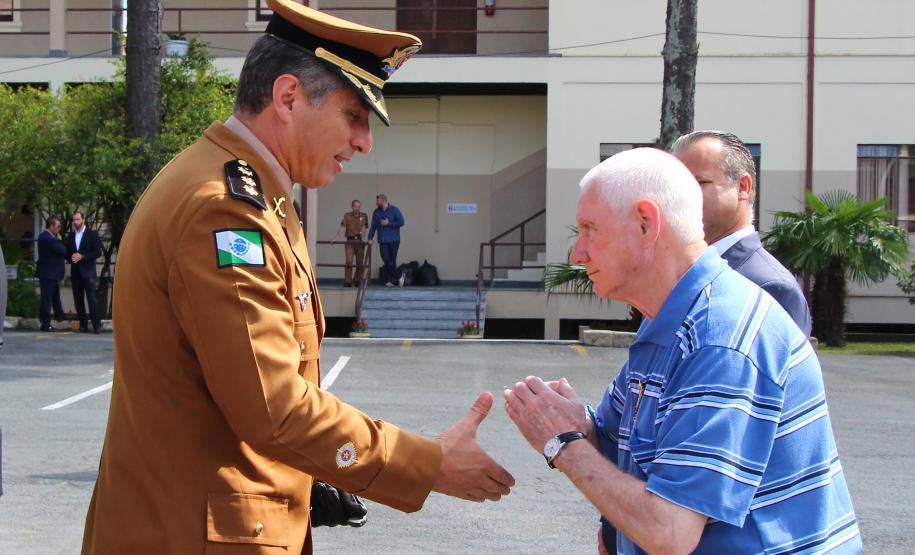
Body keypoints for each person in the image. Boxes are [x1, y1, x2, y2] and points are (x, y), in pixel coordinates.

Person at [81, 2, 514, 553]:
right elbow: (275, 407)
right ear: (287, 98)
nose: (365, 141)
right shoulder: (225, 209)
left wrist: (306, 478)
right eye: (354, 115)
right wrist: (426, 463)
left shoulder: (252, 194)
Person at [503, 148, 860, 555]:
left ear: (645, 223)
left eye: (590, 229)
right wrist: (578, 426)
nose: (577, 254)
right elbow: (616, 441)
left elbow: (670, 531)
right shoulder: (672, 320)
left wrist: (564, 444)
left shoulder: (718, 337)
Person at [672, 130, 812, 336]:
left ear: (743, 187)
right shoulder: (678, 273)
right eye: (675, 185)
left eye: (699, 182)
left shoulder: (770, 287)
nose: (681, 194)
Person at [66, 211, 102, 334]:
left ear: (83, 220)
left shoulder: (92, 234)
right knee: (78, 300)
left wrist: (83, 256)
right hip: (76, 272)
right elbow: (67, 253)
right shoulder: (71, 236)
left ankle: (96, 325)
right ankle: (83, 325)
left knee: (92, 299)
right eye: (73, 220)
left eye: (77, 219)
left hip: (88, 272)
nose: (75, 222)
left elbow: (97, 252)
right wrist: (71, 257)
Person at [37, 216, 67, 332]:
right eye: (58, 226)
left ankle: (60, 316)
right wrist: (62, 244)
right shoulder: (47, 238)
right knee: (47, 299)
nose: (59, 229)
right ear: (51, 226)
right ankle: (45, 323)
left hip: (52, 273)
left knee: (55, 297)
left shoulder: (51, 238)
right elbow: (62, 250)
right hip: (48, 273)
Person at [368, 193, 405, 287]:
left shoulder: (394, 210)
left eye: (377, 201)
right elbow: (373, 226)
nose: (376, 203)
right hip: (383, 240)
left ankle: (392, 280)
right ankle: (399, 275)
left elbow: (401, 222)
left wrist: (388, 223)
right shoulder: (376, 212)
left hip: (394, 240)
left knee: (392, 261)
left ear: (383, 200)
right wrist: (370, 238)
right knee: (386, 260)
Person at [331, 199, 369, 287]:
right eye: (355, 206)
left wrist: (365, 239)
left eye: (358, 206)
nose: (357, 208)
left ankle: (357, 280)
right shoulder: (347, 216)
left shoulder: (364, 216)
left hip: (360, 241)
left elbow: (365, 228)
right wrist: (336, 238)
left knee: (360, 262)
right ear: (352, 207)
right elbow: (342, 227)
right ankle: (348, 281)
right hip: (350, 241)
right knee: (349, 261)